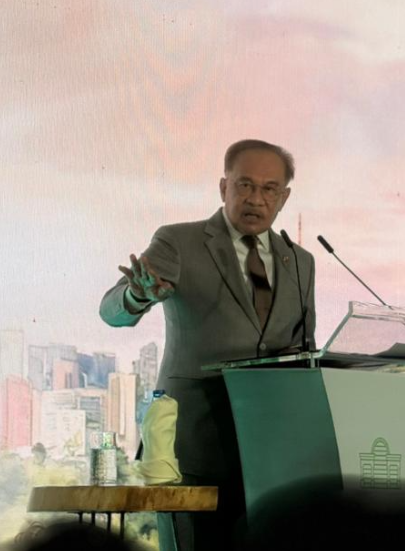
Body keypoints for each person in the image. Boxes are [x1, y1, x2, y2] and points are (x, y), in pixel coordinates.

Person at [100, 139, 316, 551]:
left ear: (284, 197)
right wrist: (137, 295)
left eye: (269, 189)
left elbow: (304, 348)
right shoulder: (179, 242)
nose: (256, 199)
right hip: (191, 450)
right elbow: (111, 311)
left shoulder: (300, 261)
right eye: (245, 185)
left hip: (270, 456)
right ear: (223, 187)